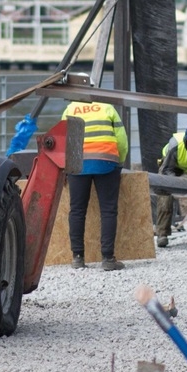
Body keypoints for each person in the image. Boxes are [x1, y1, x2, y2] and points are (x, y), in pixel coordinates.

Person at [62, 99, 129, 271]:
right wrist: (119, 163)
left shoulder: (71, 108)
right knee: (108, 210)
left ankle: (78, 258)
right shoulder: (108, 107)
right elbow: (121, 140)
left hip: (78, 163)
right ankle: (108, 259)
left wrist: (65, 166)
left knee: (77, 210)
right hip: (105, 161)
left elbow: (62, 139)